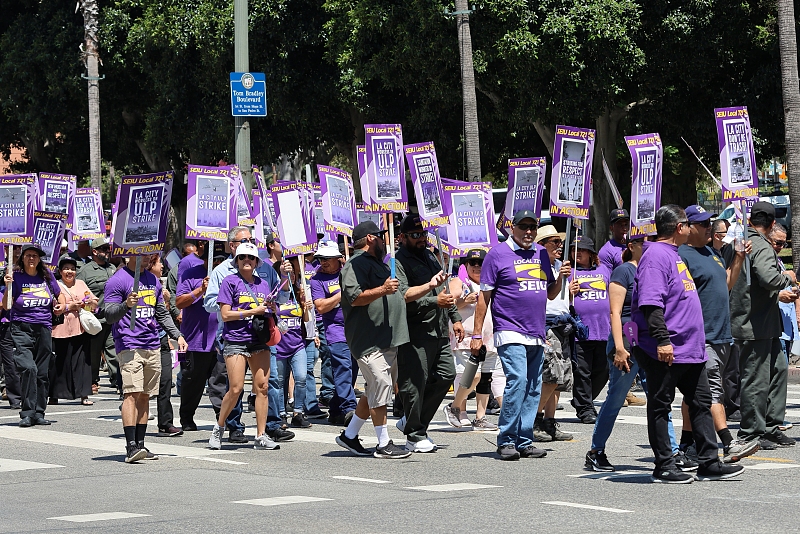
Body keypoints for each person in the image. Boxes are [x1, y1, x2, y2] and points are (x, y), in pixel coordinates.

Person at [631, 205, 743, 483]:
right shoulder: (656, 255)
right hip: (668, 350)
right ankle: (665, 465)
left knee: (701, 403)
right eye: (688, 224)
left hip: (691, 348)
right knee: (660, 406)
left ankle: (708, 462)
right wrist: (663, 341)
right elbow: (650, 303)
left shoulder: (674, 254)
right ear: (680, 228)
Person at [471, 211, 570, 461]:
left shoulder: (540, 254)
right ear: (512, 228)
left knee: (534, 387)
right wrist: (476, 333)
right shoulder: (497, 254)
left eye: (532, 227)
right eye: (523, 227)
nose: (528, 232)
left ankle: (524, 440)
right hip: (509, 329)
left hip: (536, 332)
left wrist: (561, 278)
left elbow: (549, 293)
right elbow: (484, 298)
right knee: (518, 380)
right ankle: (506, 440)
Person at [677, 205, 756, 463]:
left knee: (695, 393)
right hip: (702, 335)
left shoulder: (713, 253)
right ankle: (728, 442)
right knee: (712, 391)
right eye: (702, 224)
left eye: (709, 223)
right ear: (687, 228)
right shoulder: (682, 255)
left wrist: (739, 259)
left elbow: (726, 284)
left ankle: (687, 445)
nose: (708, 227)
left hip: (723, 334)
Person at [335, 221, 411, 458]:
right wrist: (383, 289)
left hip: (388, 338)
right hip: (368, 340)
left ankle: (349, 435)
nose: (384, 241)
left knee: (374, 390)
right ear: (370, 238)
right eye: (380, 237)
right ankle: (383, 443)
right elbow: (354, 297)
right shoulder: (354, 265)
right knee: (381, 385)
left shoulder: (379, 264)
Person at [725, 201, 796, 450]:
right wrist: (785, 279)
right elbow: (768, 278)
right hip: (754, 324)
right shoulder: (761, 245)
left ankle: (770, 425)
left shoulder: (740, 241)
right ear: (772, 223)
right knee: (756, 379)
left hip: (761, 323)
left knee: (777, 370)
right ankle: (751, 432)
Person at [104, 253, 187, 463]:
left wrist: (177, 335)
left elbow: (161, 313)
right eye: (141, 252)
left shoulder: (152, 280)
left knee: (145, 395)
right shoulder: (118, 280)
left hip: (152, 344)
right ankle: (130, 446)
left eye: (149, 252)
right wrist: (126, 305)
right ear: (128, 254)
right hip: (129, 344)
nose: (147, 255)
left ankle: (141, 444)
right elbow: (109, 314)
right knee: (131, 393)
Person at [395, 215, 464, 452]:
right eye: (415, 235)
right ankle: (414, 435)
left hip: (439, 329)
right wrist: (434, 299)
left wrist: (455, 317)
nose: (421, 239)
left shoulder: (429, 256)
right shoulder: (398, 261)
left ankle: (414, 422)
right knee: (415, 383)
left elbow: (444, 286)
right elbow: (403, 295)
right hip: (416, 330)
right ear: (402, 237)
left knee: (446, 375)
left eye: (423, 234)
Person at [210, 241, 278, 451]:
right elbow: (225, 314)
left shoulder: (263, 284)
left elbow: (266, 310)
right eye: (242, 258)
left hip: (258, 340)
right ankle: (219, 427)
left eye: (250, 258)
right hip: (235, 340)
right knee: (236, 388)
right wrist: (251, 311)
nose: (246, 261)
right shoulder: (230, 282)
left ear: (257, 262)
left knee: (262, 388)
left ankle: (260, 435)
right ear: (236, 261)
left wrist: (270, 308)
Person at [2, 243, 66, 427]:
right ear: (22, 258)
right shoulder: (15, 277)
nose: (32, 258)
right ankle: (27, 412)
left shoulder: (47, 277)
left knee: (42, 372)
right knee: (29, 368)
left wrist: (60, 307)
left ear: (39, 259)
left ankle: (39, 412)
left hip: (44, 328)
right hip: (21, 328)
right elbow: (7, 306)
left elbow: (60, 297)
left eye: (35, 256)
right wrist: (8, 286)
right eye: (28, 255)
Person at [442, 249, 500, 431]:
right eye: (472, 263)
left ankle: (480, 417)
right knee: (468, 375)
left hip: (489, 338)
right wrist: (464, 301)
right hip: (466, 338)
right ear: (465, 265)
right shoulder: (460, 282)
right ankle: (458, 409)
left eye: (480, 263)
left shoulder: (490, 284)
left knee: (485, 378)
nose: (476, 267)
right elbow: (447, 303)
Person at [311, 241, 358, 425]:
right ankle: (349, 408)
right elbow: (321, 306)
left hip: (354, 328)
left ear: (339, 259)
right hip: (335, 330)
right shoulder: (317, 279)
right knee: (343, 368)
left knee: (352, 371)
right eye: (320, 259)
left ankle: (336, 409)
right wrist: (341, 294)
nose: (323, 262)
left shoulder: (349, 272)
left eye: (327, 259)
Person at [533, 225, 573, 442]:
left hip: (562, 325)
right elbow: (548, 295)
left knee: (560, 379)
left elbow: (562, 300)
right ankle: (534, 419)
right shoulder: (539, 265)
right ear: (541, 245)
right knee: (551, 375)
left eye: (560, 242)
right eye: (554, 242)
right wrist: (559, 280)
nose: (560, 246)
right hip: (547, 324)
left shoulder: (560, 265)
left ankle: (549, 421)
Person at [568, 236, 612, 424]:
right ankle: (585, 408)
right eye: (574, 250)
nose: (577, 253)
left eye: (582, 250)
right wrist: (568, 290)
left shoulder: (604, 270)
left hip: (604, 329)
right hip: (581, 331)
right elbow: (557, 298)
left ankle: (581, 400)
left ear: (591, 254)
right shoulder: (568, 272)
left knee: (604, 370)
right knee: (582, 371)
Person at [175, 243, 216, 431]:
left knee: (221, 384)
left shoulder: (229, 274)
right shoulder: (190, 273)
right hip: (196, 339)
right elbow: (180, 302)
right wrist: (200, 290)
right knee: (193, 382)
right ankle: (187, 417)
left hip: (221, 339)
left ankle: (227, 421)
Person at [49, 256, 99, 407]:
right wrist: (69, 307)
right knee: (59, 363)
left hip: (80, 330)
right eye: (66, 268)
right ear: (60, 271)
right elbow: (51, 307)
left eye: (72, 268)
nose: (69, 271)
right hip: (59, 330)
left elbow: (95, 306)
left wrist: (89, 303)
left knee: (82, 364)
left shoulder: (82, 284)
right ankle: (54, 395)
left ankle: (83, 395)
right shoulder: (55, 286)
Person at [146, 254, 183, 437]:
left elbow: (163, 316)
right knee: (143, 387)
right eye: (159, 263)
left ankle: (166, 422)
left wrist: (173, 335)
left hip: (161, 339)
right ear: (151, 264)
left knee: (166, 381)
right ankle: (137, 421)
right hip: (143, 341)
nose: (162, 266)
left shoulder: (161, 287)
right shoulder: (140, 284)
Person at [77, 237, 119, 395]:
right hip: (94, 319)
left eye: (107, 249)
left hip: (111, 318)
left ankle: (117, 380)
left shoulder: (112, 269)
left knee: (113, 349)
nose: (107, 252)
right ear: (94, 251)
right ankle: (92, 380)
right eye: (102, 249)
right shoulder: (85, 271)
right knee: (93, 353)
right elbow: (78, 292)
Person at [273, 260, 312, 429]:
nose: (292, 277)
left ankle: (298, 412)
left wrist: (305, 306)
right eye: (288, 274)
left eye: (294, 274)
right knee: (280, 382)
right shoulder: (275, 295)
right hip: (280, 347)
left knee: (302, 377)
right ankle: (281, 414)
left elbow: (306, 320)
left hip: (298, 345)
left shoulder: (298, 292)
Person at [768, 224, 797, 432]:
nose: (780, 246)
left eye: (784, 243)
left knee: (781, 373)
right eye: (777, 242)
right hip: (774, 326)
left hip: (786, 326)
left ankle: (776, 418)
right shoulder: (763, 260)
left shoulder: (776, 260)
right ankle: (771, 420)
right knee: (775, 373)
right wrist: (779, 295)